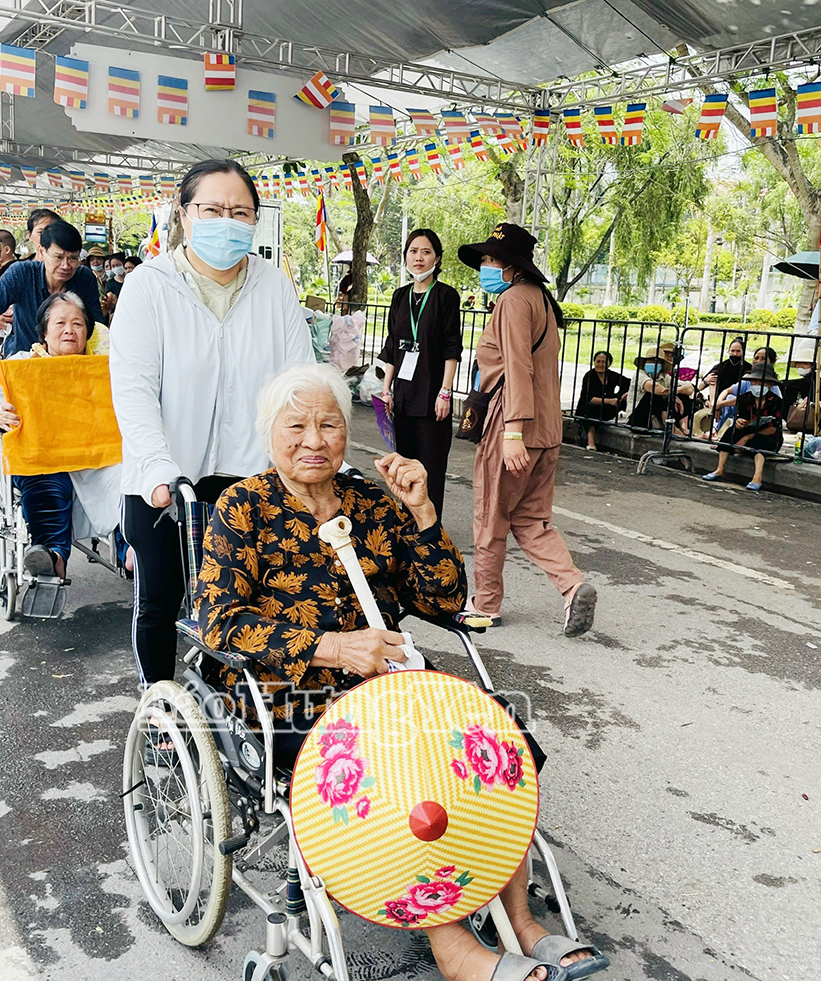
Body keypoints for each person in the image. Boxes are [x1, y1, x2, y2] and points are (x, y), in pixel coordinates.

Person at [195, 363, 608, 981]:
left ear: (347, 431)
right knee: (409, 774)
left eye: (329, 424)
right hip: (292, 687)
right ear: (269, 432)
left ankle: (520, 920)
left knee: (494, 753)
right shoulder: (242, 508)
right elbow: (220, 623)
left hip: (391, 681)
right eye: (298, 425)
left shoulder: (368, 501)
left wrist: (420, 512)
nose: (314, 440)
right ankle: (453, 945)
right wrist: (334, 648)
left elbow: (442, 599)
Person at [109, 157, 314, 687]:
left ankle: (232, 710)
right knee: (160, 601)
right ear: (183, 213)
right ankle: (157, 709)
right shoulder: (147, 286)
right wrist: (156, 466)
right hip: (164, 477)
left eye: (240, 212)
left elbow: (296, 382)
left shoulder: (273, 286)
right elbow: (133, 391)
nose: (228, 220)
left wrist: (302, 457)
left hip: (249, 475)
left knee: (248, 608)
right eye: (212, 209)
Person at [459, 223, 596, 636]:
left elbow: (517, 366)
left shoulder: (513, 302)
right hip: (547, 429)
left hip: (512, 425)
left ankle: (485, 605)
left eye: (489, 259)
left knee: (491, 518)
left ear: (512, 268)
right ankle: (573, 586)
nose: (483, 266)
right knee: (532, 521)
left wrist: (512, 432)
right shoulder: (539, 299)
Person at [0, 293, 122, 578]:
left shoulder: (104, 367)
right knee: (47, 487)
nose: (69, 330)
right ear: (44, 331)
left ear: (87, 331)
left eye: (78, 324)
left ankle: (133, 554)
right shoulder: (22, 364)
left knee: (131, 481)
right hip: (44, 455)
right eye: (60, 323)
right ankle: (52, 556)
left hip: (99, 458)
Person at [377, 228, 462, 516]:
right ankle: (408, 524)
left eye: (426, 252)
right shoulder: (400, 297)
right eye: (413, 251)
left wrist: (445, 392)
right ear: (405, 257)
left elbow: (452, 349)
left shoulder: (446, 296)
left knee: (430, 467)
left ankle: (430, 528)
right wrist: (386, 391)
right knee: (404, 466)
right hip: (403, 398)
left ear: (437, 258)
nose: (419, 258)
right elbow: (392, 347)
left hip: (431, 399)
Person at [0, 220, 103, 365]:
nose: (65, 266)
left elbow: (97, 326)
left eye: (73, 259)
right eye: (58, 257)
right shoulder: (21, 273)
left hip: (73, 364)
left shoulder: (84, 277)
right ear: (42, 251)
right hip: (24, 363)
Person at [702, 362, 784, 490]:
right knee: (730, 432)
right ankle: (720, 469)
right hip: (748, 430)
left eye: (760, 382)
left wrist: (746, 438)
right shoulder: (745, 398)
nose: (757, 385)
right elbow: (741, 419)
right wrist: (739, 423)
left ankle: (757, 477)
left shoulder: (776, 402)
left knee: (758, 442)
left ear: (770, 384)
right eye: (754, 382)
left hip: (768, 435)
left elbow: (773, 428)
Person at [629, 346, 694, 433]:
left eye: (657, 361)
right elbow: (654, 388)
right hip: (639, 419)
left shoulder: (664, 377)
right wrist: (670, 394)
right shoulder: (640, 374)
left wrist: (676, 392)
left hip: (656, 418)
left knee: (683, 396)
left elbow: (689, 387)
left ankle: (683, 427)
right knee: (654, 395)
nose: (653, 363)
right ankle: (672, 429)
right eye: (650, 360)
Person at [574, 350, 629, 450]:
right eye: (598, 361)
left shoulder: (611, 375)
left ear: (609, 364)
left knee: (626, 400)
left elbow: (629, 383)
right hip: (589, 408)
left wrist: (623, 394)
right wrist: (610, 401)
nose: (600, 364)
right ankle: (591, 442)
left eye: (603, 362)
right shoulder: (589, 376)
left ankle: (631, 420)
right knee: (590, 410)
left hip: (607, 408)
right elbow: (588, 398)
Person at [782, 338, 821, 432]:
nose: (800, 366)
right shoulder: (806, 380)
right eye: (799, 363)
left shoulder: (813, 379)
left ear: (812, 365)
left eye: (805, 363)